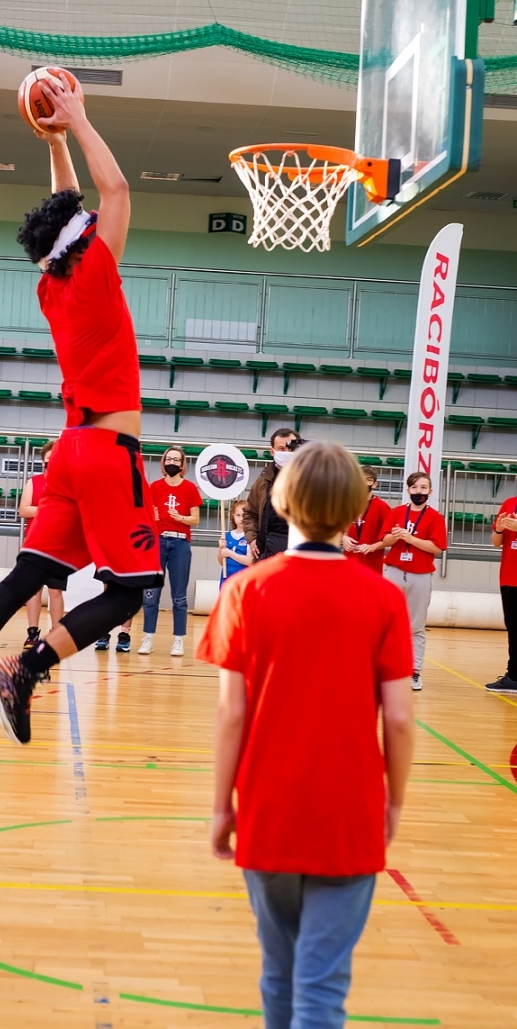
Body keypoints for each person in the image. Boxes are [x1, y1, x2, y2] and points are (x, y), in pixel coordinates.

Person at [0, 70, 162, 755]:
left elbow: (67, 205)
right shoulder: (96, 274)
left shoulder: (51, 288)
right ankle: (25, 669)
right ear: (83, 239)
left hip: (70, 452)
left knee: (31, 572)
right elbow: (115, 190)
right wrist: (78, 118)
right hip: (109, 452)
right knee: (133, 589)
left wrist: (52, 140)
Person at [197, 441, 414, 1029]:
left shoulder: (245, 592)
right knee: (321, 989)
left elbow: (230, 715)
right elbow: (397, 717)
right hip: (349, 813)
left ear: (282, 503)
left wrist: (221, 806)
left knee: (278, 973)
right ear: (354, 509)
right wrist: (393, 800)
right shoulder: (384, 599)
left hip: (269, 808)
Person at [381, 472, 447, 693]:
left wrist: (411, 539)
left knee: (416, 626)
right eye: (415, 487)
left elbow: (437, 548)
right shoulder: (397, 512)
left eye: (424, 487)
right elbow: (385, 540)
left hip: (420, 575)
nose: (419, 491)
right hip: (394, 571)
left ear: (430, 491)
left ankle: (414, 672)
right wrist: (396, 536)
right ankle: (385, 669)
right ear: (408, 490)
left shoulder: (436, 517)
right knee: (385, 622)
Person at [138, 446, 202, 657]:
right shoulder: (154, 487)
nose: (172, 462)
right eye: (169, 459)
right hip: (157, 542)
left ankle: (179, 639)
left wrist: (180, 518)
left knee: (179, 595)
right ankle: (148, 637)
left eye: (176, 459)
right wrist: (152, 518)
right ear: (163, 463)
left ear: (183, 465)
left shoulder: (190, 488)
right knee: (150, 593)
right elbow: (143, 515)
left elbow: (195, 519)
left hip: (180, 543)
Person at [19, 439, 64, 650]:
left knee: (55, 590)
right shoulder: (34, 482)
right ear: (43, 461)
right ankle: (33, 632)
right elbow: (24, 510)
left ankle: (56, 632)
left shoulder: (68, 483)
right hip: (35, 544)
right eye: (49, 459)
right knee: (34, 590)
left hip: (58, 545)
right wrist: (46, 509)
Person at [242, 427, 300, 560]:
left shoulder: (310, 478)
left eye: (290, 448)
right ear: (272, 451)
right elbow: (250, 513)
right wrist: (252, 539)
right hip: (268, 549)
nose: (286, 452)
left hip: (299, 550)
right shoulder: (264, 480)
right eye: (281, 449)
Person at [484, 498, 517, 692]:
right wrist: (499, 530)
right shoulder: (509, 503)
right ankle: (513, 676)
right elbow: (496, 542)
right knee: (513, 628)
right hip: (509, 577)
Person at [341, 465, 389, 573]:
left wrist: (373, 546)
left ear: (375, 484)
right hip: (349, 563)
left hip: (371, 564)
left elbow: (391, 538)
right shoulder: (347, 505)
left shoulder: (382, 507)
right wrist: (343, 538)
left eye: (368, 480)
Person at [218, 498, 250, 587]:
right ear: (233, 516)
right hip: (227, 578)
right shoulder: (227, 536)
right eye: (238, 515)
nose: (241, 518)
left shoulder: (250, 536)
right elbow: (221, 562)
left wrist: (230, 553)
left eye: (244, 515)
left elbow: (249, 561)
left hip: (243, 579)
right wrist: (221, 548)